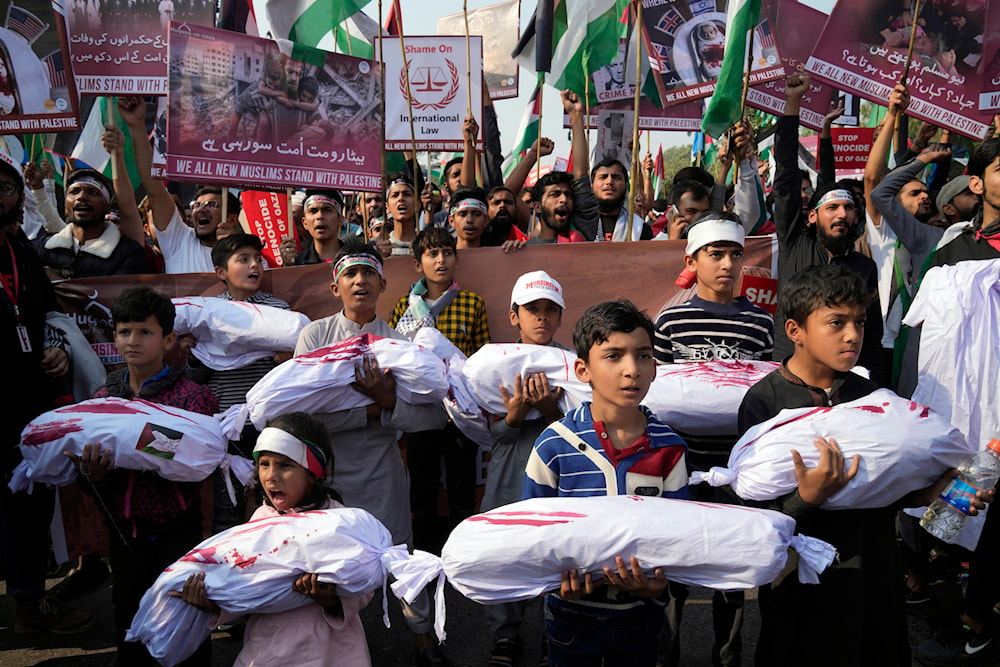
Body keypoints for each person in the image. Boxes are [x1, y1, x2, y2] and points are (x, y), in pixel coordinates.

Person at [738, 263, 979, 667]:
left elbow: (890, 491)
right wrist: (807, 498)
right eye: (836, 322)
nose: (853, 335)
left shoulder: (874, 398)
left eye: (860, 322)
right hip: (804, 575)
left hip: (874, 569)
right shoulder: (765, 402)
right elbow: (755, 512)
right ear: (795, 331)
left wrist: (936, 490)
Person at [293, 238, 448, 665]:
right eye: (350, 274)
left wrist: (390, 403)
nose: (359, 281)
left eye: (367, 275)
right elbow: (301, 414)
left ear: (382, 285)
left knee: (398, 554)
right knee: (326, 563)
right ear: (335, 287)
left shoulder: (398, 345)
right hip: (326, 473)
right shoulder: (315, 336)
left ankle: (422, 638)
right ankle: (333, 646)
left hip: (382, 470)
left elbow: (431, 418)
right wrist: (376, 408)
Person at [523, 300, 689, 666]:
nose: (632, 370)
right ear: (583, 369)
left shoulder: (670, 447)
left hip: (641, 616)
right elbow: (530, 533)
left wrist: (658, 586)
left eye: (643, 356)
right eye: (613, 356)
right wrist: (555, 582)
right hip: (570, 615)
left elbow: (681, 537)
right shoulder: (554, 446)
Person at [70, 286, 217, 666]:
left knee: (185, 623)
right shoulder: (104, 399)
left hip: (178, 530)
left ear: (168, 339)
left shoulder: (192, 398)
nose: (133, 341)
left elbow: (198, 461)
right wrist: (93, 474)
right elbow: (89, 480)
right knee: (130, 626)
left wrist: (138, 436)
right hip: (125, 533)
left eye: (145, 332)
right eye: (124, 331)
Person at [169, 413, 373, 667]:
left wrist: (331, 601)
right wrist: (211, 603)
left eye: (285, 465)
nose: (271, 476)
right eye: (264, 464)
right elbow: (245, 580)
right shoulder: (261, 519)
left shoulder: (339, 519)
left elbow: (365, 583)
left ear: (313, 473)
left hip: (331, 646)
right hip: (269, 644)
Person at [0, 152, 96, 635]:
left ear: (17, 198)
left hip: (26, 404)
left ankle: (28, 608)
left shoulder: (20, 250)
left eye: (5, 187)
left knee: (29, 503)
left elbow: (44, 316)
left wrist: (55, 349)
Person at [771, 73, 886, 385]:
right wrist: (792, 103)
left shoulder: (864, 268)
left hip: (845, 381)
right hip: (790, 373)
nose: (842, 214)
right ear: (811, 217)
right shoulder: (795, 241)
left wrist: (876, 384)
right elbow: (786, 178)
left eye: (849, 208)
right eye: (832, 208)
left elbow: (871, 333)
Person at [482, 270, 568, 666]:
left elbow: (584, 425)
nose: (542, 318)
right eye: (533, 309)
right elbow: (489, 433)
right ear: (514, 315)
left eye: (551, 310)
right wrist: (514, 416)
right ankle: (505, 635)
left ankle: (559, 631)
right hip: (508, 471)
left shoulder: (572, 366)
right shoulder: (494, 364)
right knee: (507, 552)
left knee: (559, 553)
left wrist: (552, 411)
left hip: (561, 474)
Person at [388, 226, 489, 552]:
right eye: (432, 254)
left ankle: (462, 551)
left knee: (462, 484)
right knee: (422, 483)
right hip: (420, 412)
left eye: (447, 252)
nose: (441, 259)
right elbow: (397, 354)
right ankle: (425, 551)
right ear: (418, 264)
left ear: (456, 259)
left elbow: (480, 358)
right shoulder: (405, 306)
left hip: (459, 411)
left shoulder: (472, 303)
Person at [185, 233, 290, 531]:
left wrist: (286, 361)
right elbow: (196, 380)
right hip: (226, 428)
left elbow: (293, 377)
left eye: (258, 259)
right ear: (221, 272)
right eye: (243, 259)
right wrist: (193, 355)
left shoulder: (279, 311)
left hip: (269, 426)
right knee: (227, 511)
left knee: (273, 508)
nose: (254, 265)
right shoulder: (206, 315)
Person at [120, 96, 241, 274]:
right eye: (197, 205)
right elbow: (154, 189)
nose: (202, 210)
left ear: (231, 219)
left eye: (212, 205)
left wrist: (237, 250)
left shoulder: (249, 255)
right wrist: (136, 125)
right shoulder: (178, 240)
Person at [654, 212, 774, 365]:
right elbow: (662, 383)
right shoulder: (670, 322)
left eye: (736, 255)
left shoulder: (761, 323)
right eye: (716, 254)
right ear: (691, 262)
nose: (728, 265)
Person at [31, 169, 147, 278]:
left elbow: (121, 296)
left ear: (107, 207)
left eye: (93, 192)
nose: (81, 197)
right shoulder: (44, 247)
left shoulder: (128, 254)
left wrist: (56, 283)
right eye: (74, 192)